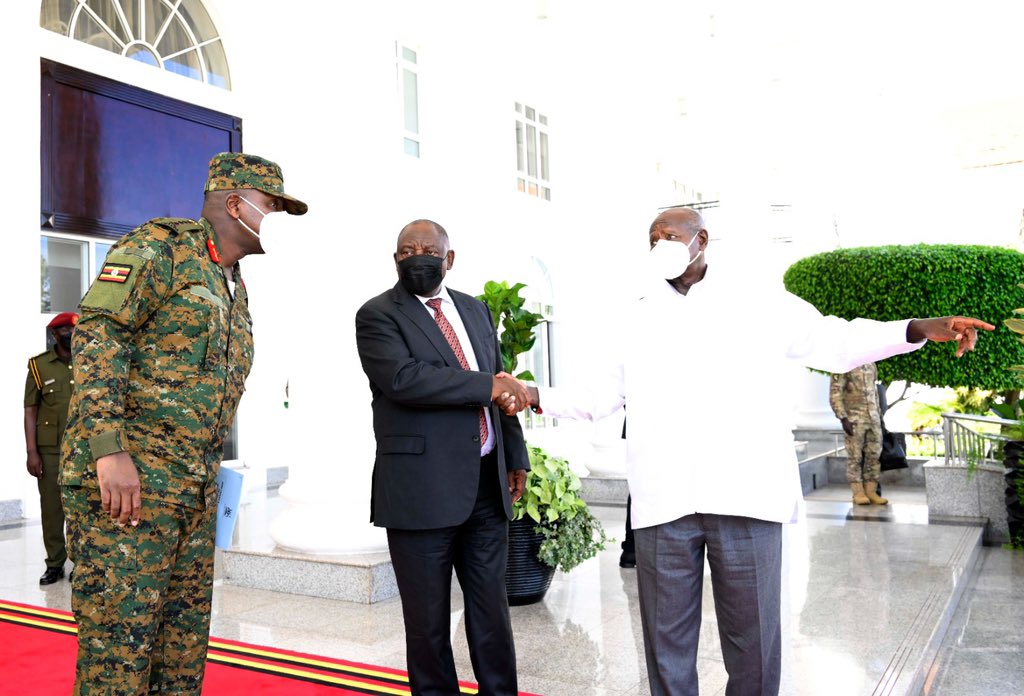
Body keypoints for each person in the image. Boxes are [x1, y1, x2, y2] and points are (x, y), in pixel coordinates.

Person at [511, 207, 993, 696]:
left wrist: (916, 328)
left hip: (745, 495)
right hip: (665, 499)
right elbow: (598, 397)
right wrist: (531, 394)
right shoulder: (635, 317)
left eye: (671, 235)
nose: (661, 243)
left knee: (754, 642)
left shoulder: (759, 302)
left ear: (702, 240)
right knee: (665, 640)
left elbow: (837, 341)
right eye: (653, 237)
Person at [60, 152, 307, 694]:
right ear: (236, 203)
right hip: (127, 491)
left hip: (189, 497)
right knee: (118, 656)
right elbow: (100, 334)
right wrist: (108, 448)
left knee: (181, 653)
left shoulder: (233, 284)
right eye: (273, 207)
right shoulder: (160, 248)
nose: (279, 221)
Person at [354, 219, 532, 696]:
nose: (418, 256)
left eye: (428, 249)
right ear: (396, 260)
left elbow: (501, 383)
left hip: (485, 486)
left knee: (492, 615)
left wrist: (515, 455)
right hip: (421, 490)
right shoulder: (377, 315)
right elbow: (405, 379)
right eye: (407, 250)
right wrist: (489, 385)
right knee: (428, 625)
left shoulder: (474, 310)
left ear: (449, 258)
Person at [23, 311, 79, 585]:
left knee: (81, 510)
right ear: (55, 335)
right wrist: (32, 452)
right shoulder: (39, 366)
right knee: (52, 509)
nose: (69, 335)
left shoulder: (90, 363)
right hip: (50, 450)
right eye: (64, 331)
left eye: (73, 330)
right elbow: (30, 411)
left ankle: (79, 564)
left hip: (83, 451)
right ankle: (55, 564)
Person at [829, 362, 888, 505]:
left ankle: (871, 491)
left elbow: (874, 392)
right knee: (855, 457)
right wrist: (843, 418)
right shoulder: (844, 365)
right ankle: (858, 493)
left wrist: (879, 417)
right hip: (854, 419)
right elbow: (835, 393)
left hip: (873, 419)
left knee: (874, 456)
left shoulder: (871, 364)